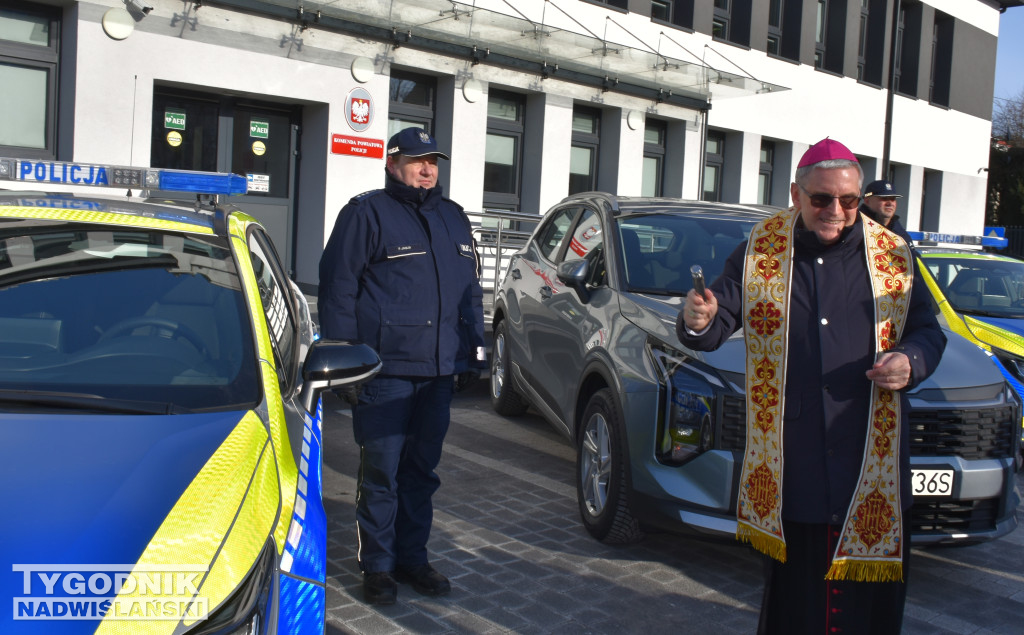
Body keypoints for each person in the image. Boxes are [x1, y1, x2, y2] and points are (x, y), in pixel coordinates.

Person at [677, 138, 945, 634]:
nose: (837, 211)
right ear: (797, 196)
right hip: (793, 461)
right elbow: (716, 324)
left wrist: (911, 360)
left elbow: (929, 332)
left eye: (849, 200)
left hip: (870, 457)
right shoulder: (762, 249)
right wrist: (700, 317)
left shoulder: (893, 256)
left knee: (872, 612)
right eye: (822, 199)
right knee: (796, 606)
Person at [318, 127, 487, 605]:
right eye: (416, 160)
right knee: (381, 473)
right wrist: (345, 357)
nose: (427, 168)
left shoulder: (453, 218)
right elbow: (338, 287)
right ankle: (377, 566)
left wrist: (474, 349)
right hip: (385, 371)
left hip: (437, 371)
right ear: (392, 163)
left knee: (421, 471)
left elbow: (468, 292)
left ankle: (413, 559)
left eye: (433, 160)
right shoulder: (365, 213)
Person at [860, 179, 912, 243]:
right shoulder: (857, 227)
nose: (890, 203)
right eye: (884, 198)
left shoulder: (898, 229)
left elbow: (911, 252)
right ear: (867, 201)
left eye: (893, 199)